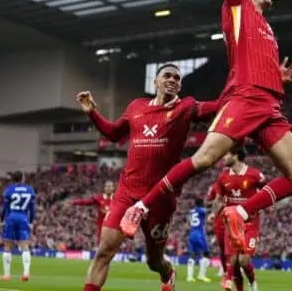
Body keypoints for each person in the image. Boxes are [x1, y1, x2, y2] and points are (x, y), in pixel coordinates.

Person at [121, 0, 292, 257]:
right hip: (244, 99)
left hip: (270, 106)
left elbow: (250, 60)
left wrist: (276, 78)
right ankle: (141, 207)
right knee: (205, 159)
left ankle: (240, 211)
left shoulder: (267, 28)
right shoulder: (237, 8)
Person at [78, 63, 219, 291]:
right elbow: (114, 134)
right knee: (104, 250)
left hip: (160, 199)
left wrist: (254, 91)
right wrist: (92, 113)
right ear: (155, 82)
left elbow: (217, 107)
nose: (172, 80)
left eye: (177, 77)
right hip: (127, 193)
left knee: (153, 261)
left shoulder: (185, 107)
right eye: (167, 76)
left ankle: (167, 272)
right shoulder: (136, 107)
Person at [216, 146, 264, 291]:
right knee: (234, 262)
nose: (223, 157)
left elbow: (265, 194)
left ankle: (252, 283)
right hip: (231, 224)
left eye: (226, 154)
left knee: (244, 260)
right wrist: (214, 213)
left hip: (250, 223)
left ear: (235, 156)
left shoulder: (255, 175)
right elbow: (219, 199)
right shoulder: (223, 177)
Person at [0, 171, 35, 282]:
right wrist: (31, 221)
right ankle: (26, 273)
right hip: (24, 217)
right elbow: (32, 208)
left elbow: (4, 208)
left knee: (7, 246)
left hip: (11, 217)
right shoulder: (30, 190)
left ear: (13, 179)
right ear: (22, 178)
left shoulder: (9, 190)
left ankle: (7, 275)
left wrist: (2, 220)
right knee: (24, 246)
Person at [71, 180, 115, 244]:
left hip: (113, 225)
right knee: (101, 243)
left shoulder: (116, 199)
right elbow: (87, 202)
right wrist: (75, 202)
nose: (108, 188)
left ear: (113, 188)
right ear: (104, 188)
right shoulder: (99, 198)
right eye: (107, 186)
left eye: (110, 186)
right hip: (102, 225)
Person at [206, 180, 228, 283]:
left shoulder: (239, 183)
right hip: (220, 220)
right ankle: (225, 271)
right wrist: (216, 201)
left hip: (235, 217)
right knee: (223, 247)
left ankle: (235, 269)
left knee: (236, 245)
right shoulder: (215, 186)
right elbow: (207, 202)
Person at [186, 198, 211, 283]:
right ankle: (201, 276)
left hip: (192, 233)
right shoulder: (202, 210)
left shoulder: (191, 212)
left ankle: (189, 277)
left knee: (192, 255)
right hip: (199, 234)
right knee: (206, 254)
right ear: (202, 203)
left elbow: (189, 222)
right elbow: (207, 211)